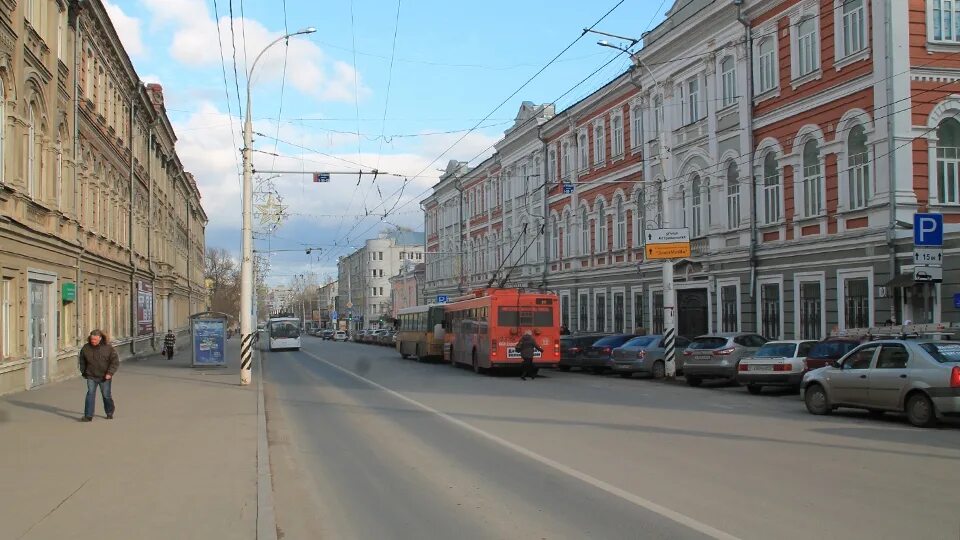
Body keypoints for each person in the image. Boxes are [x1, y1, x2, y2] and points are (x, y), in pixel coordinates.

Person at [78, 330, 119, 421]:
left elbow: (115, 362)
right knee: (90, 394)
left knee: (106, 395)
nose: (93, 341)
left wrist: (110, 373)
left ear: (100, 338)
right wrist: (83, 372)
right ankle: (88, 416)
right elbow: (82, 361)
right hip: (91, 375)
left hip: (105, 376)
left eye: (95, 340)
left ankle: (109, 412)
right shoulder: (86, 348)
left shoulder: (108, 348)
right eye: (92, 339)